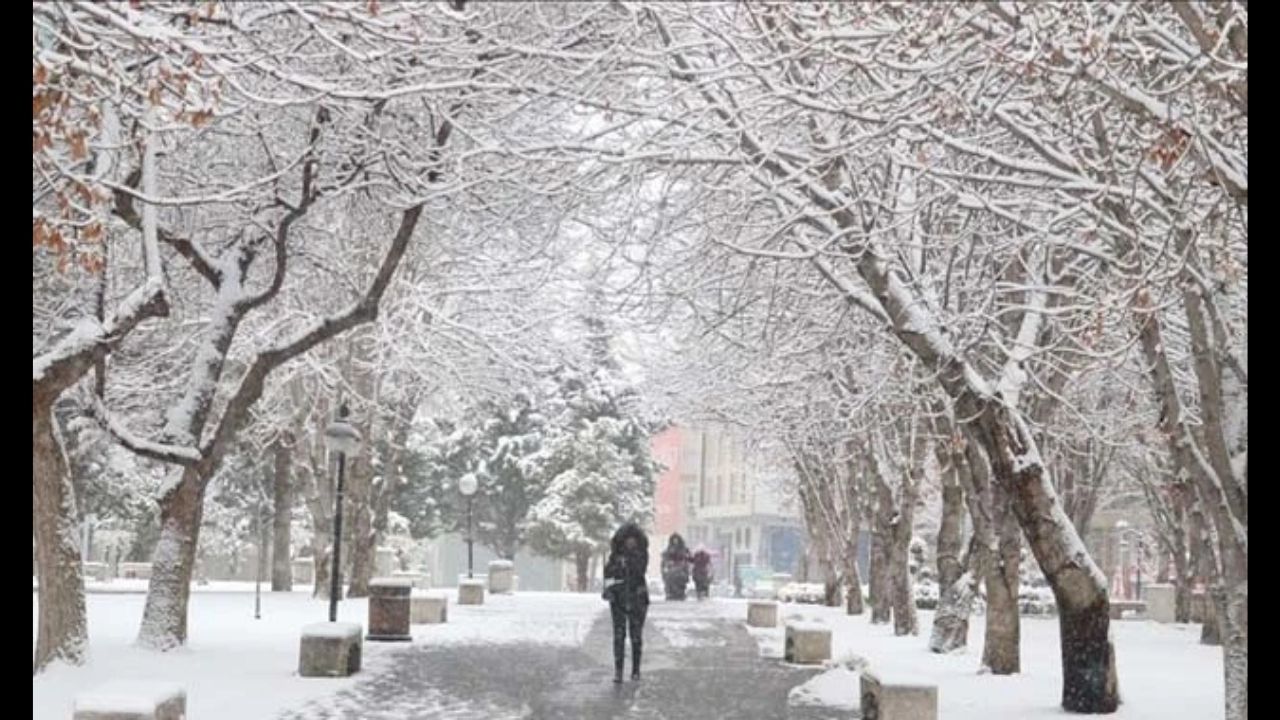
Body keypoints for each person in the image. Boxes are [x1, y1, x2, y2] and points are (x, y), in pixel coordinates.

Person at [603, 522, 650, 683]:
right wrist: (610, 590)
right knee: (619, 635)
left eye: (633, 539)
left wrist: (627, 564)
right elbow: (608, 574)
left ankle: (636, 669)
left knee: (636, 635)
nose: (631, 542)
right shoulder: (614, 557)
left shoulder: (641, 555)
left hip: (637, 597)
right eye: (628, 539)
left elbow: (640, 571)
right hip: (618, 598)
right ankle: (618, 671)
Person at [661, 533, 692, 601]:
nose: (675, 542)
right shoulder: (668, 550)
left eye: (677, 540)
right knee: (670, 579)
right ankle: (671, 592)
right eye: (674, 540)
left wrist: (684, 563)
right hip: (671, 571)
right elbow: (665, 560)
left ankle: (680, 592)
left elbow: (689, 558)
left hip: (681, 570)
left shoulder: (684, 549)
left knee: (680, 580)